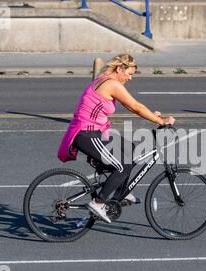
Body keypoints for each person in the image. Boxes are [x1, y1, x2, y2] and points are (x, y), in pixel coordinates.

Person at [58, 53, 175, 223]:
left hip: (96, 133)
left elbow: (130, 106)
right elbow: (136, 106)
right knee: (122, 166)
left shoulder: (106, 79)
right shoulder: (111, 83)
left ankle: (121, 193)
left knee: (131, 150)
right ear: (120, 68)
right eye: (129, 73)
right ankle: (98, 202)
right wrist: (160, 121)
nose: (130, 78)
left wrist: (152, 116)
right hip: (86, 135)